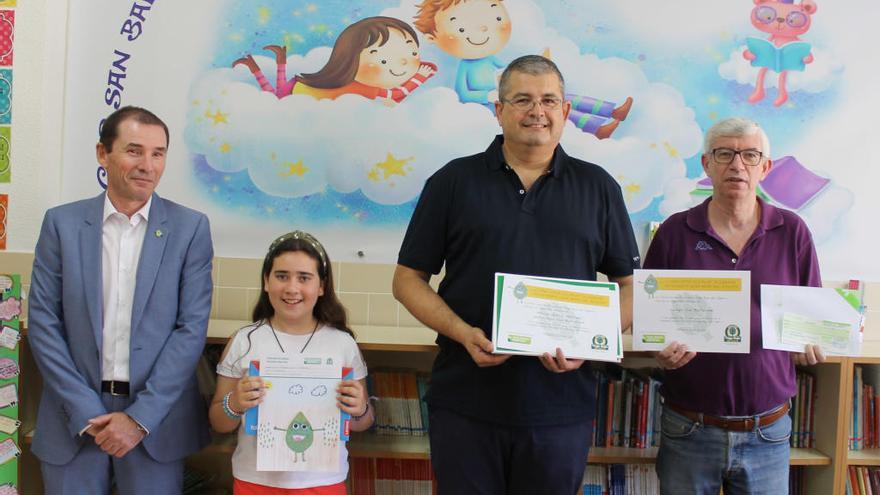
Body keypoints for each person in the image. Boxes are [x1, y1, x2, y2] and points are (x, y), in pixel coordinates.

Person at [393, 54, 640, 494]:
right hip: (466, 400)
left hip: (560, 406)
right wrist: (462, 332)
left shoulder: (599, 187)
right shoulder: (453, 181)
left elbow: (630, 287)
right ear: (499, 110)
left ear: (565, 112)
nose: (536, 111)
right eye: (522, 99)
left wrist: (589, 341)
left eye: (548, 100)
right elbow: (407, 280)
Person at [28, 106, 214, 494]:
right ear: (102, 154)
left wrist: (140, 418)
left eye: (158, 153)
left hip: (154, 422)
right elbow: (44, 323)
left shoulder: (190, 229)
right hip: (73, 417)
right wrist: (85, 410)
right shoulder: (61, 225)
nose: (148, 165)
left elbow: (190, 330)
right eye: (134, 151)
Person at [645, 117, 826, 495]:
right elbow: (652, 319)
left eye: (749, 155)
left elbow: (813, 313)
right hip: (688, 427)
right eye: (724, 154)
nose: (737, 165)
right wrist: (659, 351)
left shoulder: (793, 231)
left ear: (766, 167)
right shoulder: (674, 233)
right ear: (706, 165)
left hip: (768, 430)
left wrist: (809, 342)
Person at [209, 230, 372, 495]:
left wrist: (359, 409)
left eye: (304, 278)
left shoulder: (342, 344)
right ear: (266, 281)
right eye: (282, 276)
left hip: (323, 482)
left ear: (321, 286)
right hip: (255, 482)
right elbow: (218, 421)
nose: (292, 288)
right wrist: (235, 403)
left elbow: (361, 422)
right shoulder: (244, 341)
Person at [412, 0, 633, 138]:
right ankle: (597, 129)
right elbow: (464, 94)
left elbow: (508, 73)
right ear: (433, 37)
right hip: (498, 109)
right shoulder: (466, 66)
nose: (480, 31)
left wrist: (535, 65)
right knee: (555, 109)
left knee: (565, 100)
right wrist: (490, 95)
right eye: (461, 27)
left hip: (516, 99)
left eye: (493, 18)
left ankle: (611, 112)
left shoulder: (491, 60)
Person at [234, 16, 437, 103]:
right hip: (296, 96)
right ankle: (263, 66)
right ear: (350, 60)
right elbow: (394, 94)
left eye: (412, 53)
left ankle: (265, 65)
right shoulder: (355, 88)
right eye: (384, 61)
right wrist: (420, 77)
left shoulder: (351, 86)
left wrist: (279, 64)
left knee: (274, 96)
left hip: (295, 90)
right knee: (273, 98)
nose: (404, 64)